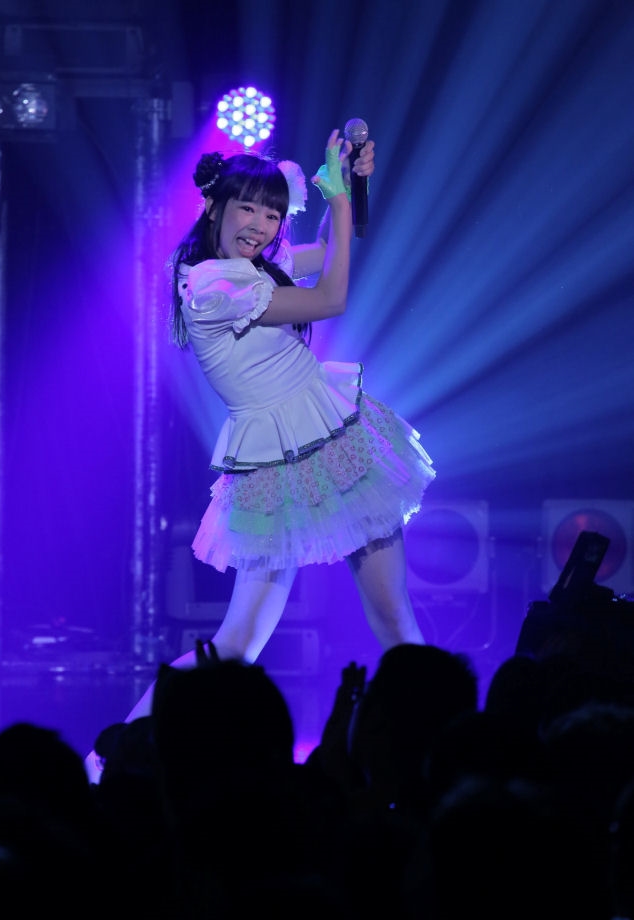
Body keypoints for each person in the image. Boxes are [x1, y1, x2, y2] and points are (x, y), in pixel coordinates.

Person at [122, 127, 436, 725]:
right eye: (248, 209)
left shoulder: (251, 267)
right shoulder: (214, 285)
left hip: (336, 440)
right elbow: (331, 298)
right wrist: (338, 201)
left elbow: (327, 250)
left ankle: (439, 746)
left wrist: (348, 184)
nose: (262, 226)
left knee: (395, 618)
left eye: (272, 214)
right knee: (237, 645)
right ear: (214, 206)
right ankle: (116, 753)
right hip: (274, 462)